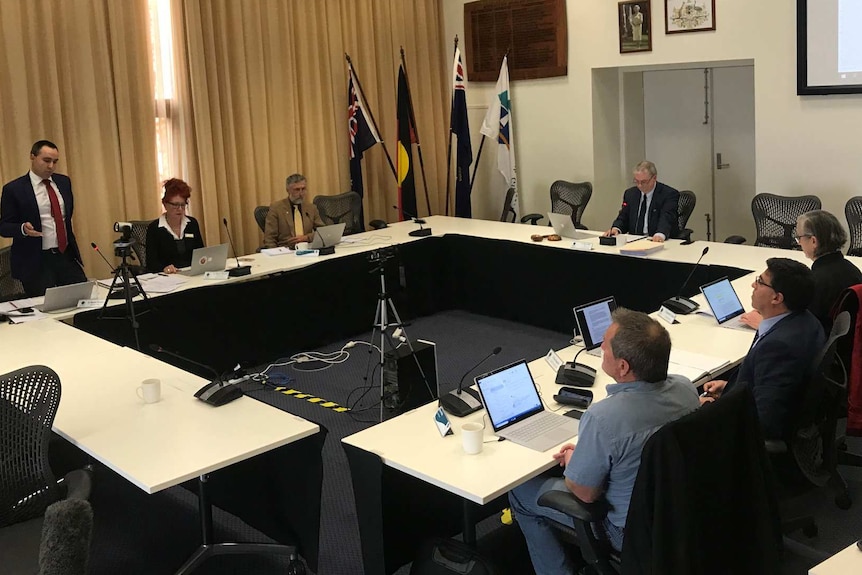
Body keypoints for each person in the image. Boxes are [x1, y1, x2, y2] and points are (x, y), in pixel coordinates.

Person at [508, 309, 699, 574]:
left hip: (628, 533)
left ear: (623, 367)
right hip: (682, 515)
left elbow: (585, 493)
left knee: (520, 492)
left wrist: (574, 462)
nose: (600, 347)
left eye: (605, 346)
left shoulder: (604, 418)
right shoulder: (687, 389)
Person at [702, 258, 825, 439]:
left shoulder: (778, 347)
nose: (753, 285)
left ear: (777, 298)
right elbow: (773, 386)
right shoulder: (806, 320)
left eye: (760, 281)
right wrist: (732, 388)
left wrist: (709, 409)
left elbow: (764, 421)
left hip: (747, 442)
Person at [741, 210, 862, 332]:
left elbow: (802, 329)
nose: (799, 243)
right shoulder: (852, 270)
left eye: (799, 238)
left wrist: (765, 324)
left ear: (813, 241)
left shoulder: (816, 282)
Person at [0, 140, 87, 297]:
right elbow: (4, 226)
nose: (51, 166)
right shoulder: (14, 189)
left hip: (64, 255)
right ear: (32, 157)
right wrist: (22, 229)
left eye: (55, 162)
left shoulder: (63, 182)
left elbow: (66, 216)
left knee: (83, 299)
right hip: (35, 260)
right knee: (45, 308)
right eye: (46, 160)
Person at [603, 161, 679, 242]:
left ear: (654, 178)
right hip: (635, 240)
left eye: (643, 182)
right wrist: (616, 229)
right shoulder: (630, 194)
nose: (639, 185)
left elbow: (667, 218)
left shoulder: (668, 194)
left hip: (657, 240)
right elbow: (623, 216)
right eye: (636, 181)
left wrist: (660, 234)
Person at [145, 178, 204, 274]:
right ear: (165, 204)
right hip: (168, 279)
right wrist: (164, 268)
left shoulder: (192, 223)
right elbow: (151, 264)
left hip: (192, 275)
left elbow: (201, 253)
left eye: (183, 205)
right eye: (175, 205)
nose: (180, 209)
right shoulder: (154, 228)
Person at [263, 174, 324, 249]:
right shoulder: (276, 208)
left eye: (303, 189)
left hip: (307, 249)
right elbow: (269, 238)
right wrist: (275, 254)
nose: (301, 193)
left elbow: (323, 231)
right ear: (288, 190)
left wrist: (307, 238)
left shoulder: (311, 208)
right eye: (297, 190)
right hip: (286, 250)